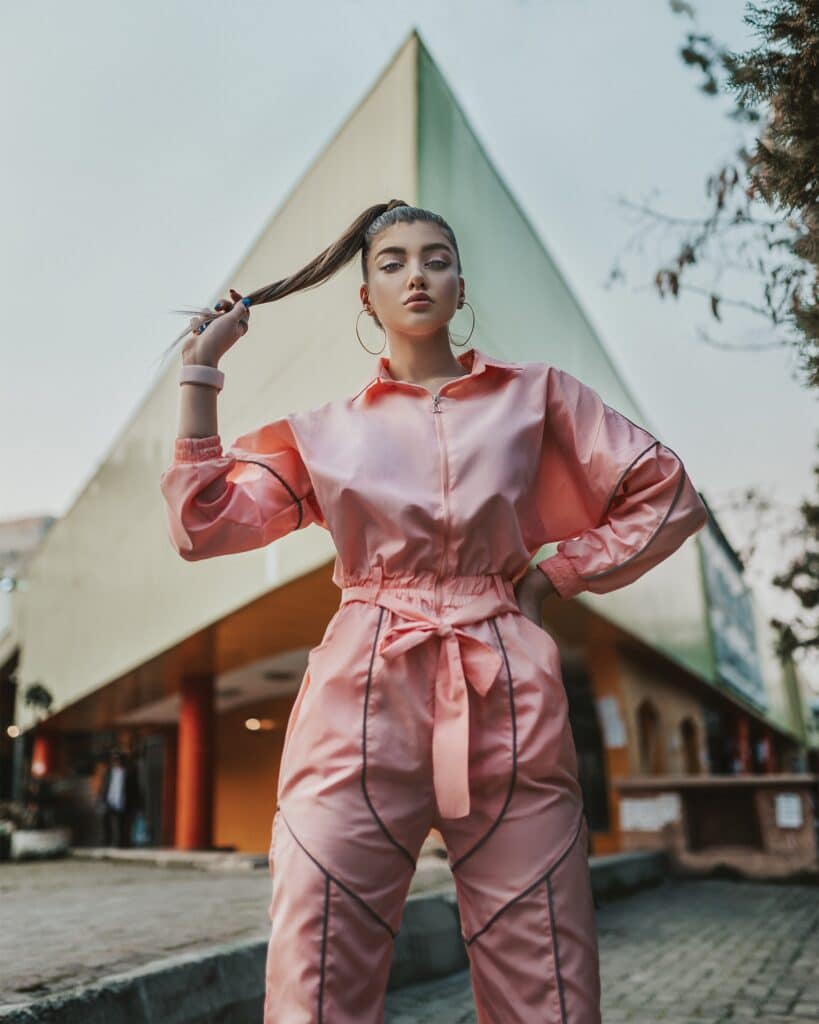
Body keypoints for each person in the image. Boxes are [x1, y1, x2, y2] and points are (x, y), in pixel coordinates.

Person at [159, 201, 708, 1023]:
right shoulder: (321, 434)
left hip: (507, 686)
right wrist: (201, 373)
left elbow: (665, 495)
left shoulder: (539, 397)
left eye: (437, 258)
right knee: (315, 962)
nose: (416, 273)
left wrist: (552, 577)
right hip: (358, 696)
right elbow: (202, 525)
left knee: (546, 969)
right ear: (365, 299)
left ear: (459, 285)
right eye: (391, 262)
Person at [97, 747, 141, 848]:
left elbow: (135, 789)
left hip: (122, 801)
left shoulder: (129, 772)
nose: (116, 762)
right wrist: (101, 798)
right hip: (109, 800)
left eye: (118, 759)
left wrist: (137, 804)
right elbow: (104, 785)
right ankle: (106, 840)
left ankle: (121, 843)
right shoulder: (109, 772)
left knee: (121, 823)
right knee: (105, 819)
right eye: (114, 759)